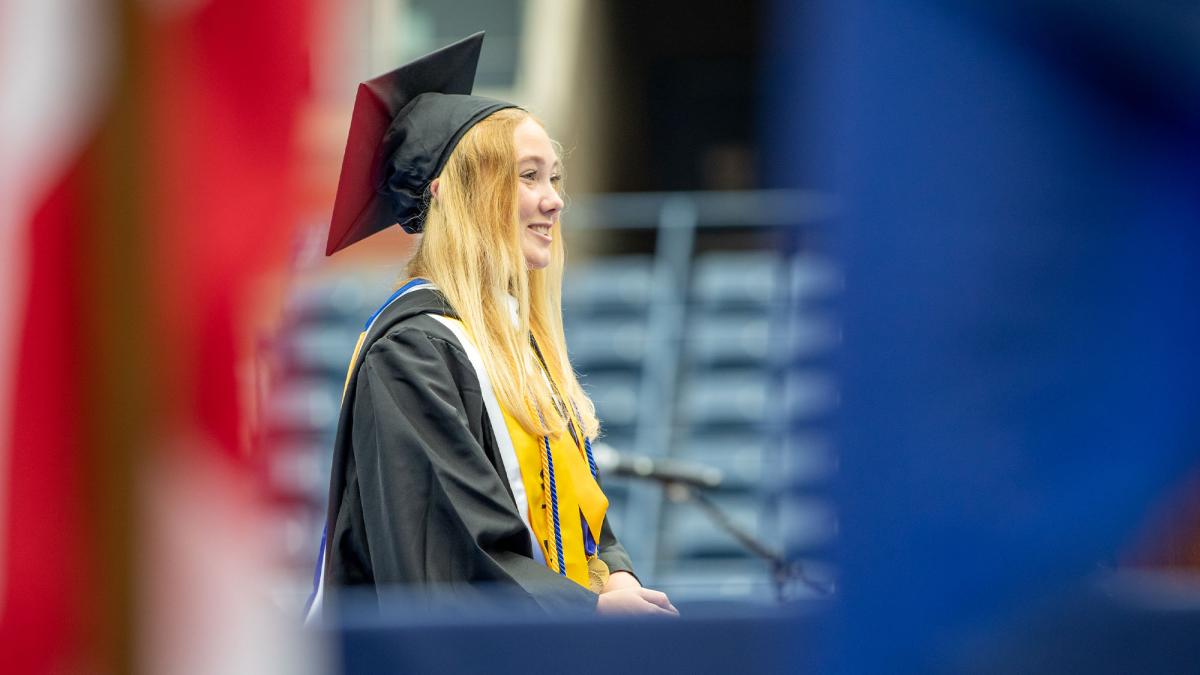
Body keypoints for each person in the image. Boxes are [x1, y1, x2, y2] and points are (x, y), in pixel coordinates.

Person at [305, 33, 676, 621]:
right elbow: (450, 555)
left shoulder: (514, 346)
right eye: (529, 177)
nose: (554, 201)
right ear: (457, 197)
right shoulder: (412, 354)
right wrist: (591, 613)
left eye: (554, 178)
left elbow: (581, 513)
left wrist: (617, 578)